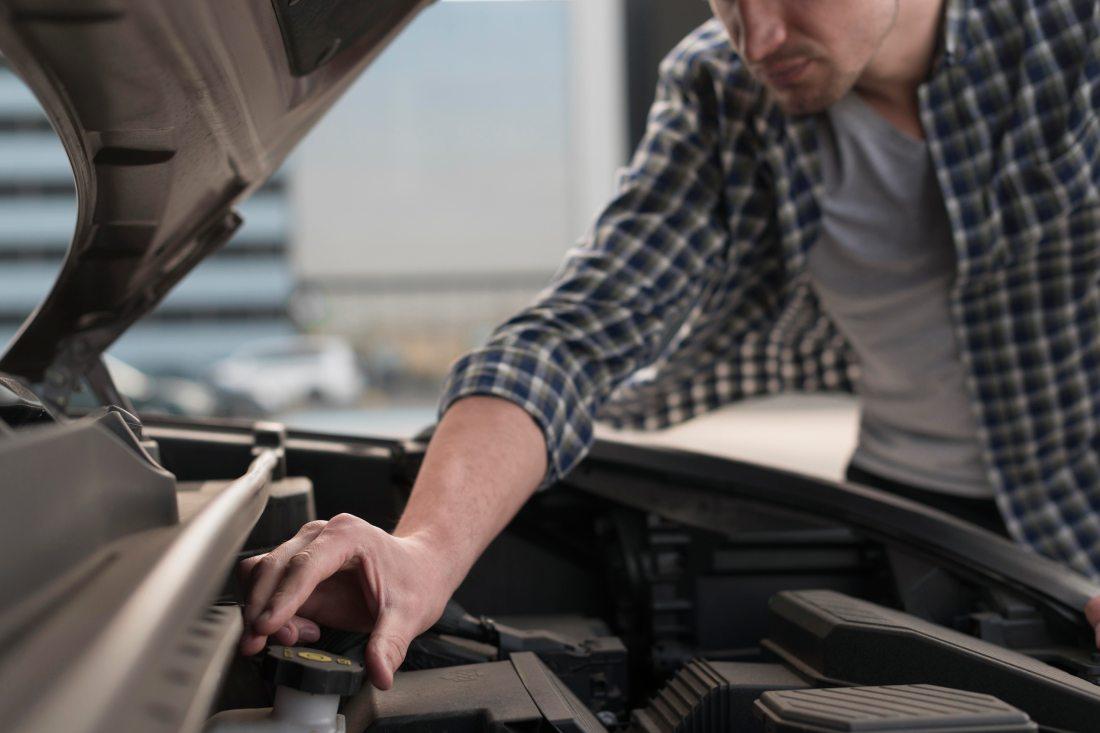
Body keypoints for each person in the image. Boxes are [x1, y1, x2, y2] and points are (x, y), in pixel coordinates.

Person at [238, 0, 1100, 689]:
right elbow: (574, 335)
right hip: (907, 517)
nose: (757, 36)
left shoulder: (1072, 29)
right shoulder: (723, 87)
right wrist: (423, 552)